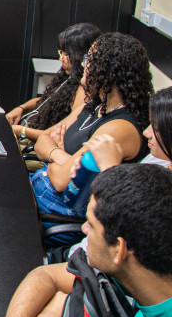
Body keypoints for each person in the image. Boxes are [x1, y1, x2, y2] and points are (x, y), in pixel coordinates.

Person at [0, 163, 172, 317]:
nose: (83, 230)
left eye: (90, 224)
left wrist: (51, 316)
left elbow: (57, 296)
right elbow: (46, 276)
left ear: (119, 249)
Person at [73, 83, 172, 249]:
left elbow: (140, 242)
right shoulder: (161, 161)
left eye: (156, 127)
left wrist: (110, 171)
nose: (146, 132)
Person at [31, 32, 152, 218]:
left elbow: (61, 181)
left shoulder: (119, 127)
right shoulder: (95, 104)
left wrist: (51, 157)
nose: (82, 64)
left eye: (90, 59)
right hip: (40, 190)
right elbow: (43, 139)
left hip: (56, 212)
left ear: (109, 70)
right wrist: (59, 155)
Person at [6, 23, 102, 143]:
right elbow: (48, 99)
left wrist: (22, 131)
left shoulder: (84, 91)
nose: (60, 58)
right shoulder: (70, 76)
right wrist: (21, 108)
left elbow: (64, 132)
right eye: (59, 52)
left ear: (79, 56)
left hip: (42, 143)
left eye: (64, 53)